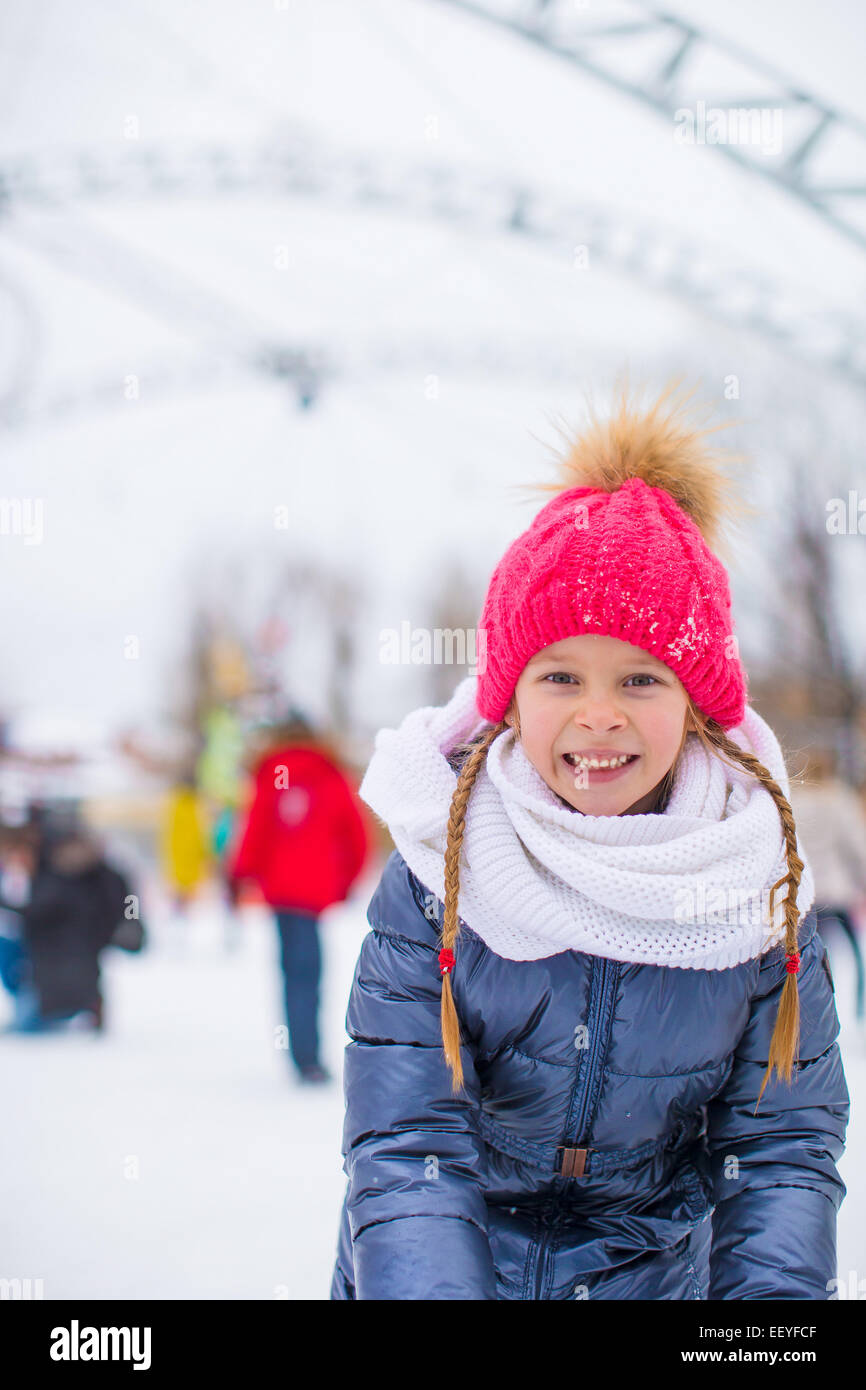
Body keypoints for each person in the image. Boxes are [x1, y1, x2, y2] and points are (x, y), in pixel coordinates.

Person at [329, 378, 850, 1300]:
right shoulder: (438, 869)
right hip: (447, 1266)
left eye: (642, 680)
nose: (599, 717)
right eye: (561, 676)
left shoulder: (755, 885)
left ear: (699, 709)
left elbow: (778, 1150)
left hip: (651, 1281)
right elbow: (409, 1146)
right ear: (508, 697)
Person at [228, 708, 374, 1085]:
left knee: (292, 971)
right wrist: (346, 881)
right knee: (312, 969)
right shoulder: (331, 772)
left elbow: (256, 828)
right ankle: (311, 1055)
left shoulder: (271, 772)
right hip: (317, 890)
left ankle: (302, 1055)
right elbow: (357, 835)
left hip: (281, 892)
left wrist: (241, 875)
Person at [4, 820, 132, 1033]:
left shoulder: (64, 876)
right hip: (72, 958)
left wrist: (131, 921)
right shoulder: (64, 873)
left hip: (68, 967)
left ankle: (71, 1008)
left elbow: (130, 898)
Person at [789, 748, 866, 1021]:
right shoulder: (838, 800)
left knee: (801, 957)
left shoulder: (792, 800)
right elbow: (857, 846)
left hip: (803, 894)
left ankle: (799, 1009)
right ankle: (859, 1010)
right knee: (855, 956)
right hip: (836, 892)